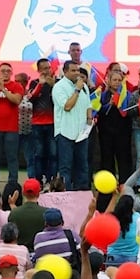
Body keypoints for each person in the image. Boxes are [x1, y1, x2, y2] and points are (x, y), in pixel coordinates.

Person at [21, 0, 114, 62]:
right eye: (53, 11)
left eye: (82, 11)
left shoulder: (98, 70)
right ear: (29, 25)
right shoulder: (26, 64)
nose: (68, 23)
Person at [52, 60, 92, 190]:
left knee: (82, 165)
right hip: (65, 132)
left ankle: (82, 193)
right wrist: (77, 90)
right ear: (65, 72)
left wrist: (89, 118)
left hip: (81, 133)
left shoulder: (84, 86)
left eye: (78, 70)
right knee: (66, 167)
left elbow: (88, 105)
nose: (77, 73)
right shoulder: (59, 87)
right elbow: (67, 106)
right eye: (73, 70)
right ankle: (66, 193)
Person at [26, 59, 57, 184]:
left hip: (53, 123)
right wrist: (40, 84)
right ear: (38, 70)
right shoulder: (34, 83)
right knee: (38, 154)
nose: (47, 70)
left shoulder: (57, 83)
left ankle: (52, 181)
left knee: (53, 154)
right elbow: (31, 98)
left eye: (48, 68)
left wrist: (53, 85)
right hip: (37, 124)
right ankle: (38, 181)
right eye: (44, 68)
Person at [8, 178, 47, 250]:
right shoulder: (46, 213)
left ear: (23, 193)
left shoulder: (14, 213)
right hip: (40, 251)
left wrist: (12, 205)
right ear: (38, 193)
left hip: (20, 252)